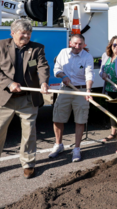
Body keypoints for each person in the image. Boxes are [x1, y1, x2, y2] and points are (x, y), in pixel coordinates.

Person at [0, 19, 50, 181]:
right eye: (22, 33)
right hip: (4, 99)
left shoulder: (37, 48)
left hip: (27, 99)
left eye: (29, 33)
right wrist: (9, 84)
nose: (26, 36)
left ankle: (28, 164)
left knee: (29, 133)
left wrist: (44, 82)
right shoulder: (0, 45)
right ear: (12, 33)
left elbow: (42, 66)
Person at [48, 34, 94, 162]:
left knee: (80, 120)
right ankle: (58, 145)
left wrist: (88, 90)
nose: (77, 46)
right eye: (75, 43)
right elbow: (56, 69)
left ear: (84, 45)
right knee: (58, 118)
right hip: (65, 89)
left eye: (80, 44)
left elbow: (89, 74)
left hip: (81, 90)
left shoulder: (87, 56)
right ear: (70, 43)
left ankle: (77, 149)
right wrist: (63, 76)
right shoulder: (63, 53)